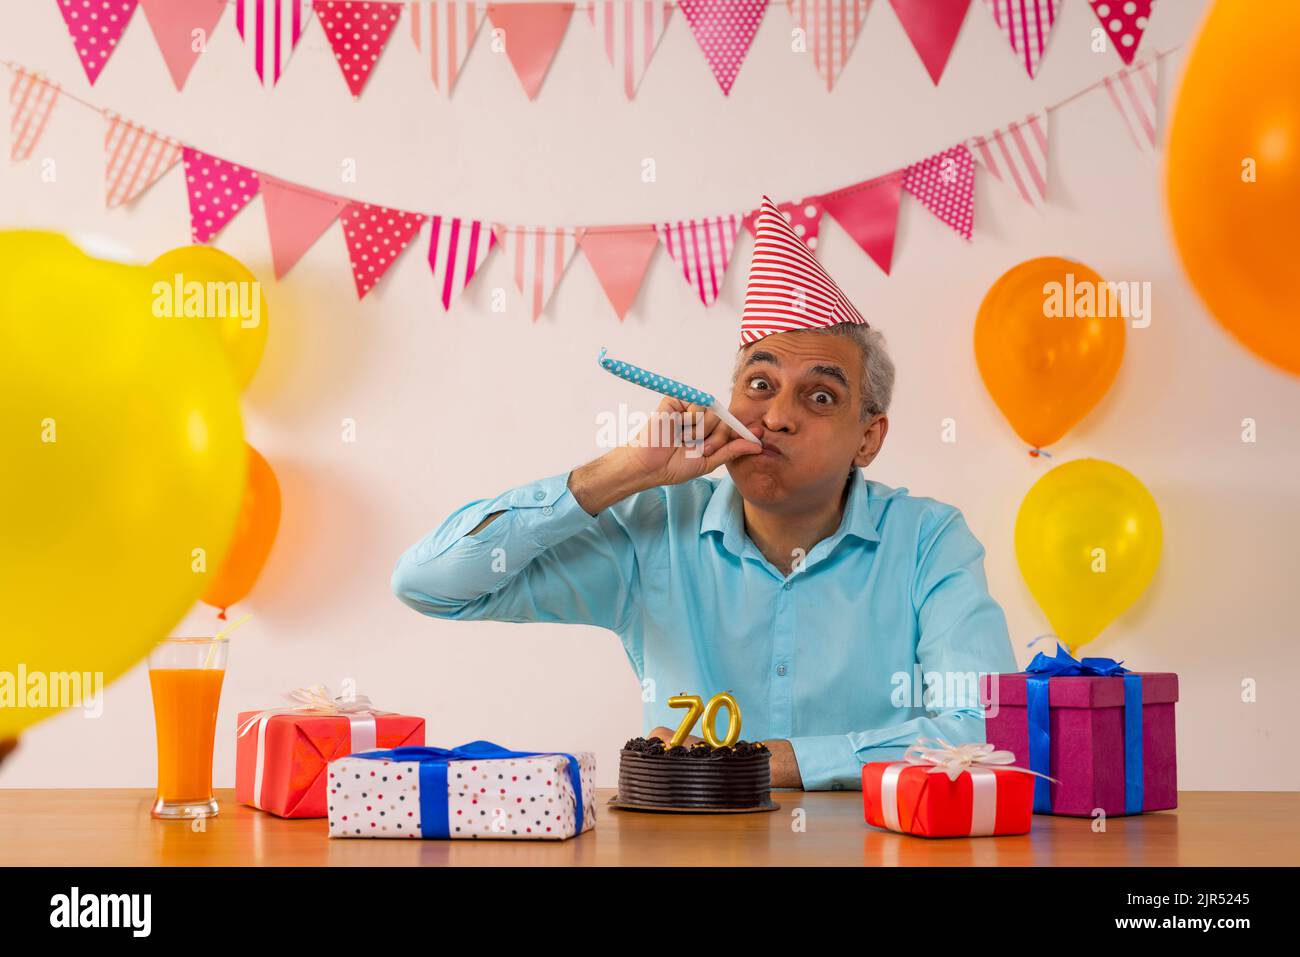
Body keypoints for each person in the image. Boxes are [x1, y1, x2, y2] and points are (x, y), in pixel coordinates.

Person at [391, 196, 1017, 790]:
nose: (776, 418)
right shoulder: (654, 531)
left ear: (868, 438)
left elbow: (983, 729)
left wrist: (767, 762)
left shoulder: (929, 540)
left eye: (820, 395)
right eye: (760, 384)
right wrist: (626, 470)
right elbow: (429, 584)